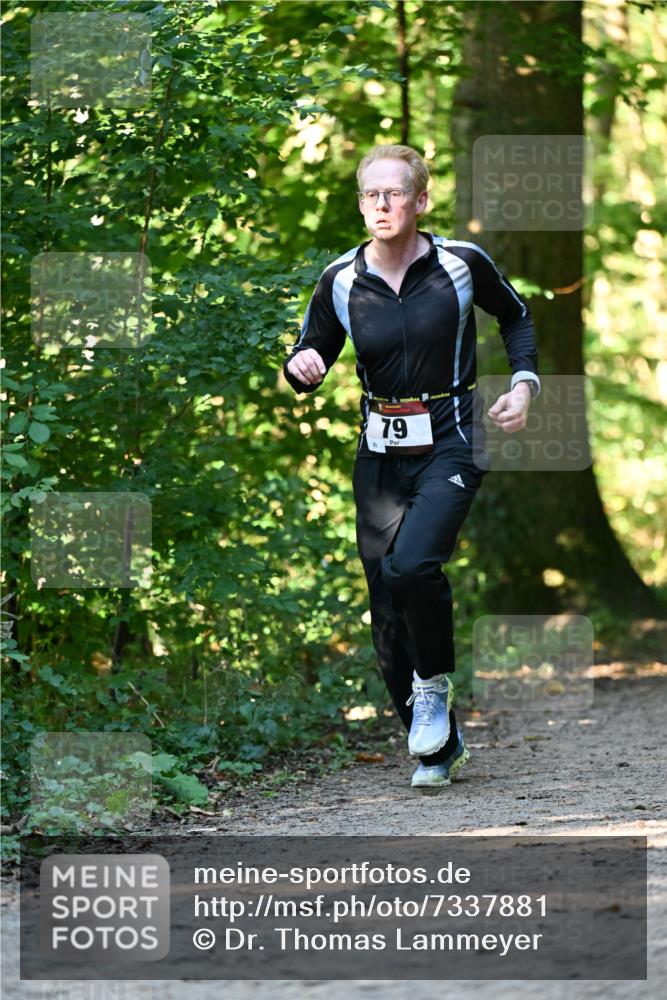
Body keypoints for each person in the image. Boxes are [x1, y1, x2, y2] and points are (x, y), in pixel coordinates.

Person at [282, 144, 540, 792]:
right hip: (378, 451)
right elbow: (310, 348)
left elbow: (514, 316)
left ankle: (433, 687)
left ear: (420, 200)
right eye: (370, 194)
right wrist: (300, 367)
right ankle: (437, 745)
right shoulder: (340, 278)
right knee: (384, 601)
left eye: (394, 193)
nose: (381, 204)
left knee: (413, 566)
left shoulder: (459, 263)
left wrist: (524, 384)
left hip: (452, 437)